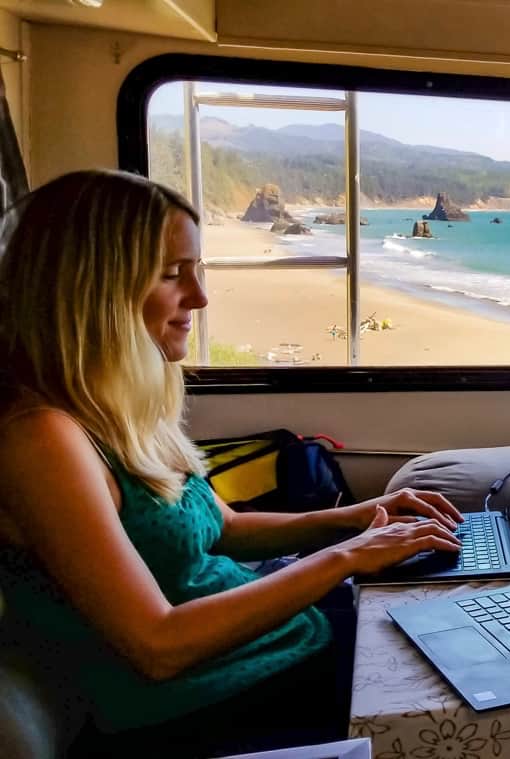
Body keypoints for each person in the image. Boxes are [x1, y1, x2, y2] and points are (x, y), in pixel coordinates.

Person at [0, 169, 465, 757]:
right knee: (473, 685)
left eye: (197, 270)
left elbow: (229, 528)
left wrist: (363, 517)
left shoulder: (119, 407)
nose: (198, 297)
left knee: (459, 616)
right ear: (89, 289)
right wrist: (347, 557)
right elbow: (156, 644)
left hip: (271, 647)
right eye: (172, 275)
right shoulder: (42, 437)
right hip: (196, 704)